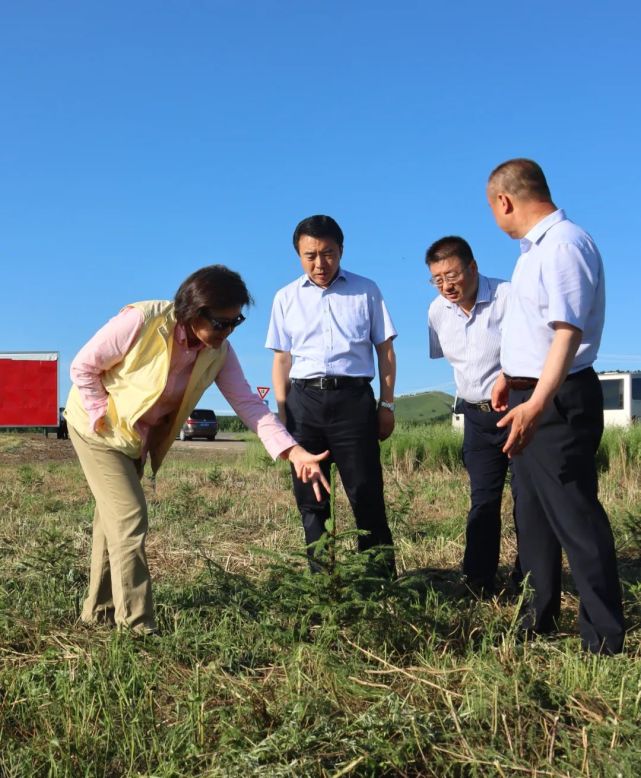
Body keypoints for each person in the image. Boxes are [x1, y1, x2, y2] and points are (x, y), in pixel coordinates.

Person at [65, 265, 330, 634]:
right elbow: (83, 366)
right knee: (128, 519)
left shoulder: (218, 351)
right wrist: (98, 415)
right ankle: (138, 628)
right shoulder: (142, 320)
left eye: (235, 322)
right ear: (193, 311)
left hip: (135, 440)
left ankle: (98, 612)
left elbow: (249, 404)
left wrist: (293, 451)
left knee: (111, 523)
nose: (228, 331)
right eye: (221, 323)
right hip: (97, 430)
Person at [487, 158, 625, 654]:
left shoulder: (564, 246)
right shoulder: (534, 252)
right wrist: (511, 376)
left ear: (504, 201)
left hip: (555, 400)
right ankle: (537, 616)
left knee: (575, 515)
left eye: (492, 209)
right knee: (535, 516)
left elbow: (568, 333)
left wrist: (539, 400)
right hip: (529, 395)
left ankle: (604, 638)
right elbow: (538, 328)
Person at [266, 215, 397, 575]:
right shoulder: (285, 297)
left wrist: (386, 403)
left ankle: (380, 583)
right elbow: (281, 358)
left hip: (353, 401)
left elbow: (385, 350)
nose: (320, 263)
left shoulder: (366, 290)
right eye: (310, 255)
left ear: (341, 251)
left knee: (366, 493)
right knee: (311, 499)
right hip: (303, 403)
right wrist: (283, 412)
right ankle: (322, 584)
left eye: (328, 253)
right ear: (298, 254)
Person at [426, 235, 521, 596]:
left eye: (452, 276)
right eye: (437, 279)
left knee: (526, 500)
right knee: (483, 499)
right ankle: (478, 581)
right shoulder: (436, 312)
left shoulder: (508, 297)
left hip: (515, 411)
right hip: (476, 419)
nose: (446, 286)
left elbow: (535, 348)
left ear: (473, 267)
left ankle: (524, 580)